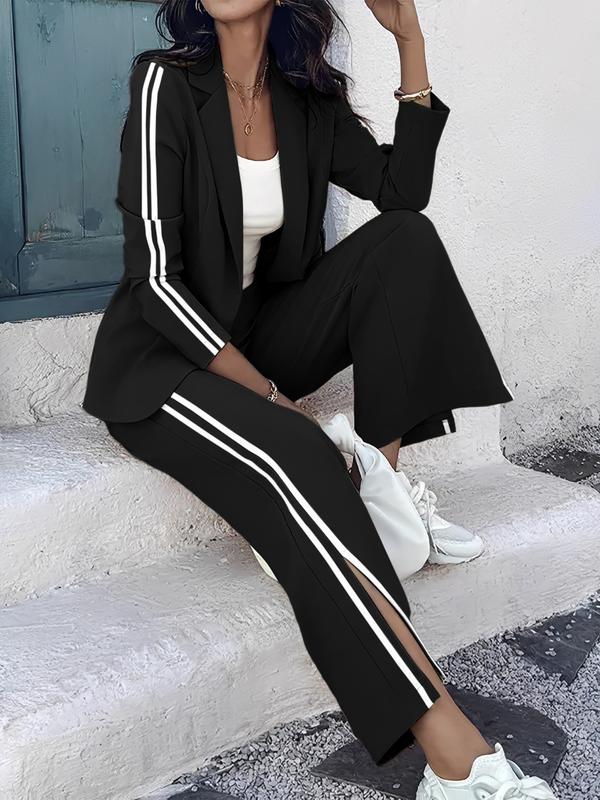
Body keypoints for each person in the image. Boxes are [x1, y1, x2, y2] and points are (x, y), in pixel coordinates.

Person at [82, 1, 556, 797]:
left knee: (405, 242)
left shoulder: (304, 99)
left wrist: (410, 41)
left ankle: (379, 483)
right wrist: (270, 398)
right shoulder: (167, 83)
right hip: (159, 365)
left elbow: (403, 193)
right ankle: (458, 759)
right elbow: (156, 279)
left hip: (255, 331)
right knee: (301, 452)